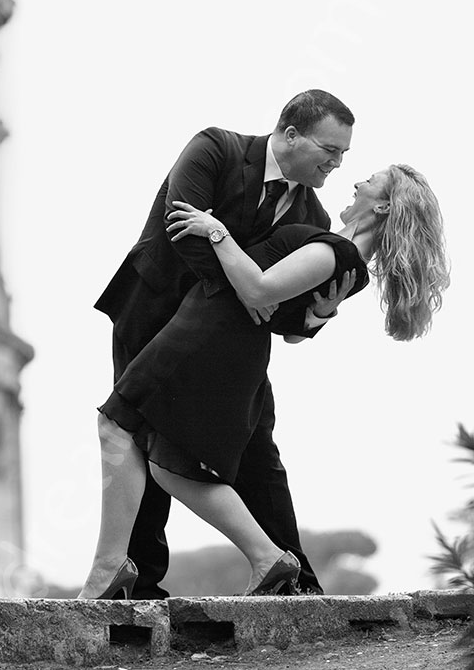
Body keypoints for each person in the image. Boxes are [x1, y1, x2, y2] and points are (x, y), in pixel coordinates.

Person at [79, 164, 449, 599]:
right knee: (167, 464)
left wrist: (216, 231)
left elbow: (257, 290)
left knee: (119, 425)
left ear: (384, 204)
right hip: (217, 333)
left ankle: (115, 567)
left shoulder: (335, 254)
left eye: (370, 180)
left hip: (207, 331)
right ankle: (263, 558)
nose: (356, 181)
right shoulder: (343, 255)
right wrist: (319, 314)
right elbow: (291, 327)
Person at [94, 90, 355, 598]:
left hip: (227, 341)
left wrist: (319, 314)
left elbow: (286, 311)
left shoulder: (315, 217)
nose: (338, 162)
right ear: (292, 133)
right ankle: (141, 581)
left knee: (259, 447)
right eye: (331, 148)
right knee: (142, 437)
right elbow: (182, 228)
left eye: (344, 153)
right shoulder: (215, 148)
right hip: (151, 314)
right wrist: (248, 291)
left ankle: (292, 579)